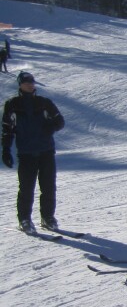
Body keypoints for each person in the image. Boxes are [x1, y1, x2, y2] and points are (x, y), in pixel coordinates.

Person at [2, 72, 65, 234]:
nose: (30, 85)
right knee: (26, 188)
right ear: (20, 85)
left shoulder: (44, 103)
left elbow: (60, 121)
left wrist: (50, 127)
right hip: (26, 153)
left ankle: (48, 218)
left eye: (32, 82)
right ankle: (25, 219)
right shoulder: (13, 105)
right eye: (26, 82)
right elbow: (7, 130)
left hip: (46, 151)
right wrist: (6, 150)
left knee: (48, 187)